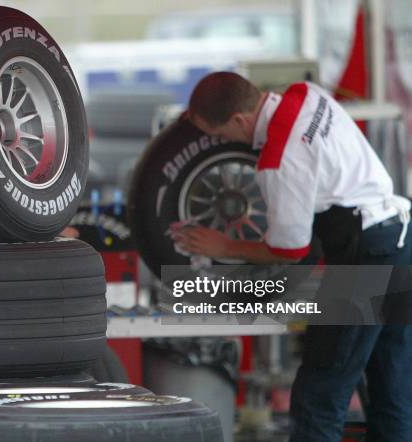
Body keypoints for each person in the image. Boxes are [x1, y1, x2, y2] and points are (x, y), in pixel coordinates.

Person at [172, 71, 412, 441]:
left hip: (366, 257)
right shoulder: (306, 93)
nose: (222, 143)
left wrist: (224, 246)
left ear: (239, 120)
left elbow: (289, 250)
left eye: (220, 135)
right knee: (391, 388)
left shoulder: (279, 161)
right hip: (398, 236)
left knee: (318, 397)